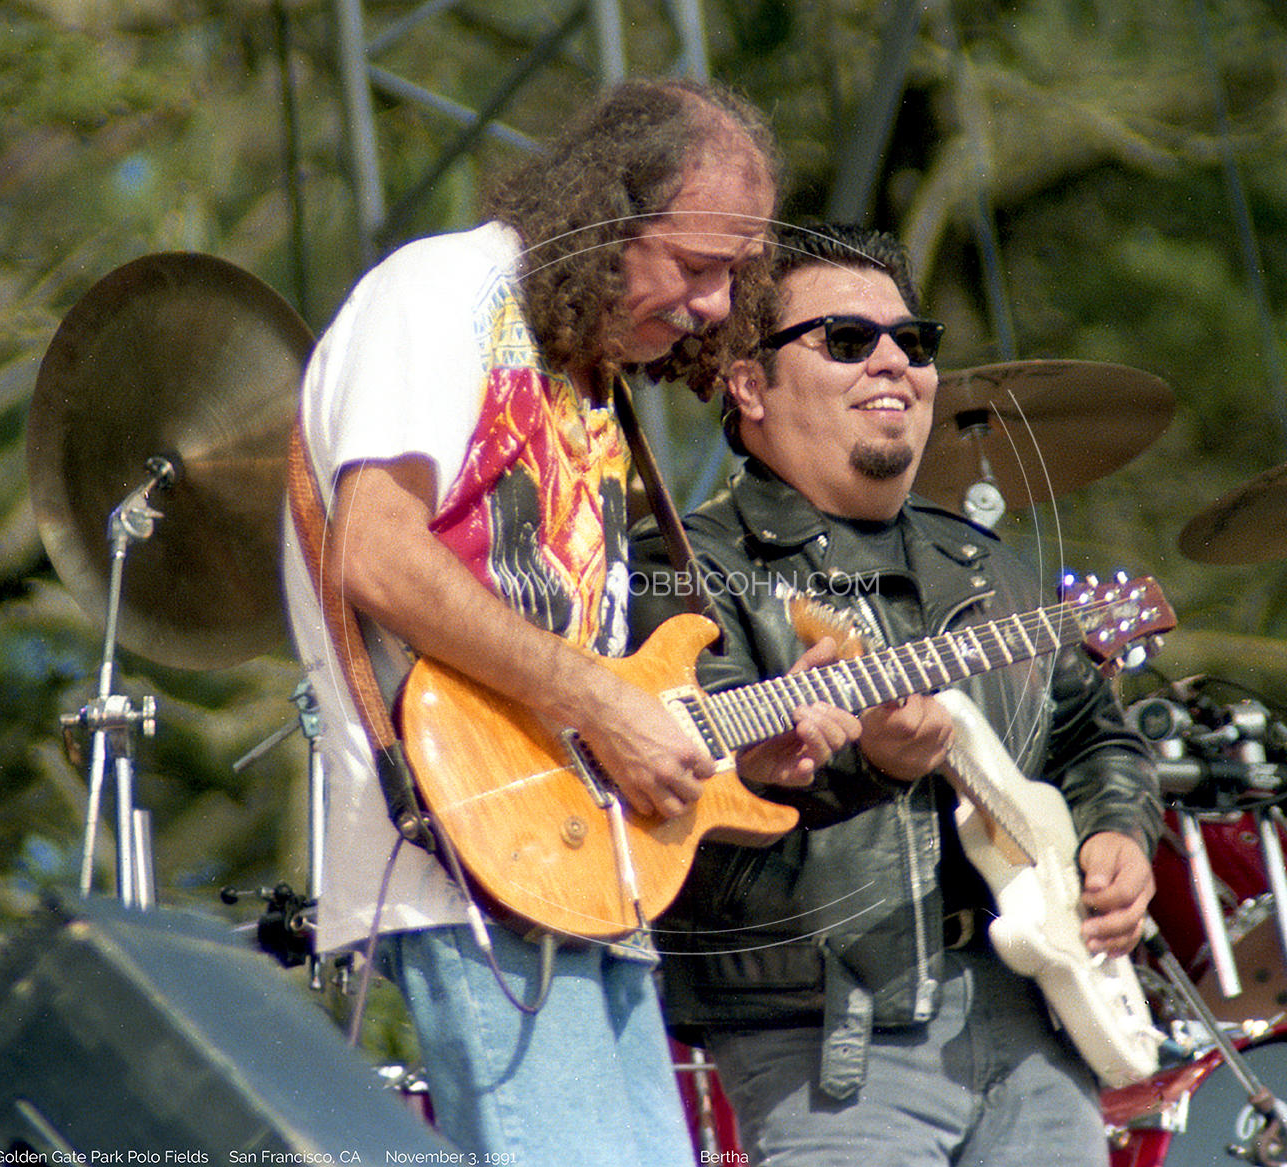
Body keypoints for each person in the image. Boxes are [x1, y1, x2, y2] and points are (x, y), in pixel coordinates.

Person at [280, 78, 778, 1167]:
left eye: (734, 275)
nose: (712, 304)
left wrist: (724, 738)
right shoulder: (443, 292)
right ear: (605, 216)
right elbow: (375, 551)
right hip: (466, 849)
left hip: (588, 856)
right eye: (695, 265)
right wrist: (601, 702)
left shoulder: (578, 360)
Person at [630, 222, 1162, 1166]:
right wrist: (861, 768)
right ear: (748, 385)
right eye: (846, 339)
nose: (893, 362)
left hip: (1039, 1026)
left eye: (912, 342)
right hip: (830, 1036)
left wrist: (1117, 830)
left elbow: (1093, 737)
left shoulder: (985, 564)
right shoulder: (682, 568)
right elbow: (684, 802)